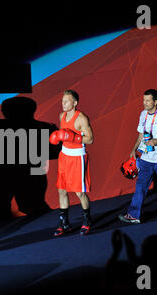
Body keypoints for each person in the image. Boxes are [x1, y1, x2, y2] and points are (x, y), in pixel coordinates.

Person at [119, 89, 157, 224]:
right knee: (140, 186)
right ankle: (134, 215)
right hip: (146, 157)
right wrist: (134, 150)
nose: (144, 103)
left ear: (155, 101)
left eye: (147, 100)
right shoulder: (143, 114)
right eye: (143, 100)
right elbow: (141, 134)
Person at [49, 89, 94, 236]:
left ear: (74, 103)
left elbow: (91, 139)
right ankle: (64, 223)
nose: (63, 104)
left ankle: (87, 221)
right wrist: (60, 137)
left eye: (66, 101)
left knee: (79, 192)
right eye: (62, 101)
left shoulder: (81, 118)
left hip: (77, 157)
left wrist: (74, 137)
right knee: (61, 190)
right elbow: (64, 137)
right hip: (64, 156)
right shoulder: (61, 116)